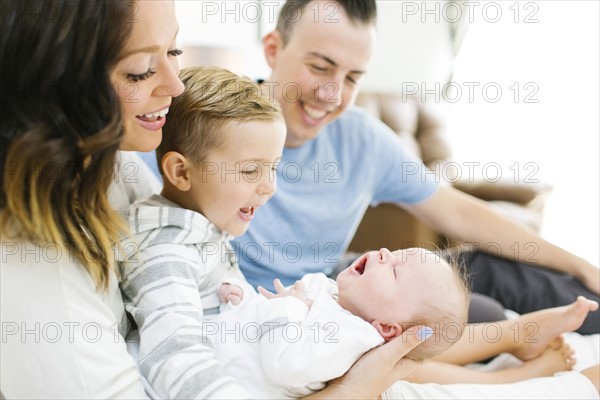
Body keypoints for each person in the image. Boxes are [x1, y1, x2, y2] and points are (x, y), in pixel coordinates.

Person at [231, 0, 599, 334]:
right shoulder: (214, 123)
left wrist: (581, 265)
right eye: (320, 67)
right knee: (480, 317)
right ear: (273, 49)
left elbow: (459, 213)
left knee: (482, 274)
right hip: (282, 306)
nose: (334, 94)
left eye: (353, 77)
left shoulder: (361, 138)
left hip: (337, 278)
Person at [117, 65, 288, 398]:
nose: (269, 188)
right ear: (181, 171)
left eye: (274, 168)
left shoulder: (200, 229)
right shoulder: (166, 251)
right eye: (251, 170)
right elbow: (175, 357)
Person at [212, 248, 587, 398]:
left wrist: (284, 307)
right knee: (409, 359)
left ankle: (514, 349)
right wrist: (247, 300)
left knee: (414, 351)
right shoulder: (346, 310)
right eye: (394, 253)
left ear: (386, 327)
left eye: (393, 269)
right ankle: (514, 342)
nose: (382, 253)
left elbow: (287, 357)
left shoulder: (350, 330)